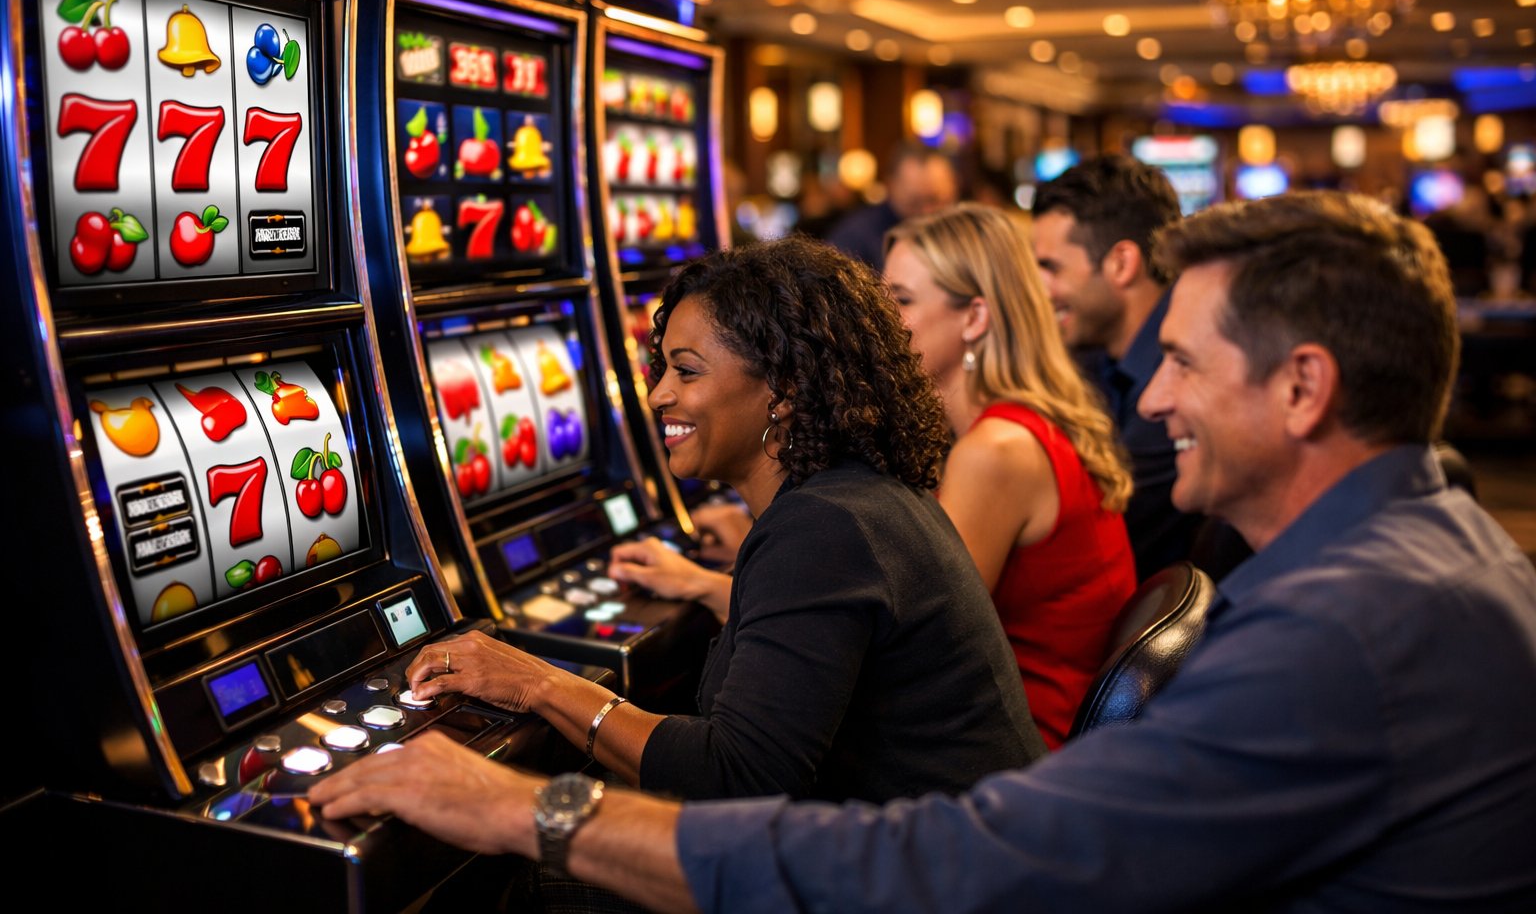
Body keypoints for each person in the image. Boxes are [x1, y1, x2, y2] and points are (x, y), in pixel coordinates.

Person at [311, 191, 1536, 912]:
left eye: (1184, 360)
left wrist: (540, 808)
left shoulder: (1342, 631)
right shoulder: (1431, 557)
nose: (1149, 400)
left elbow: (966, 868)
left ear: (1305, 387)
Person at [389, 237, 1043, 807]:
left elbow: (735, 776)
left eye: (686, 371)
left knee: (532, 865)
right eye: (661, 368)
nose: (656, 395)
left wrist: (537, 682)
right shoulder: (856, 496)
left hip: (923, 882)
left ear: (783, 390)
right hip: (936, 854)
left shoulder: (820, 529)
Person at [883, 204, 1137, 749]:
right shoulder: (1017, 426)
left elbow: (908, 640)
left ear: (975, 318)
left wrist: (723, 589)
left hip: (1020, 756)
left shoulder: (998, 450)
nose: (876, 321)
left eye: (899, 301)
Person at [1030, 155, 1212, 580]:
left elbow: (1097, 544)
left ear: (1121, 264)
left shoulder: (1175, 385)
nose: (1039, 290)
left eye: (1050, 267)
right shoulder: (1096, 360)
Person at [826, 142, 958, 267]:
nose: (926, 212)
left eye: (935, 200)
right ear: (890, 186)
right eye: (914, 203)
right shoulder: (855, 239)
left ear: (955, 185)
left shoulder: (966, 235)